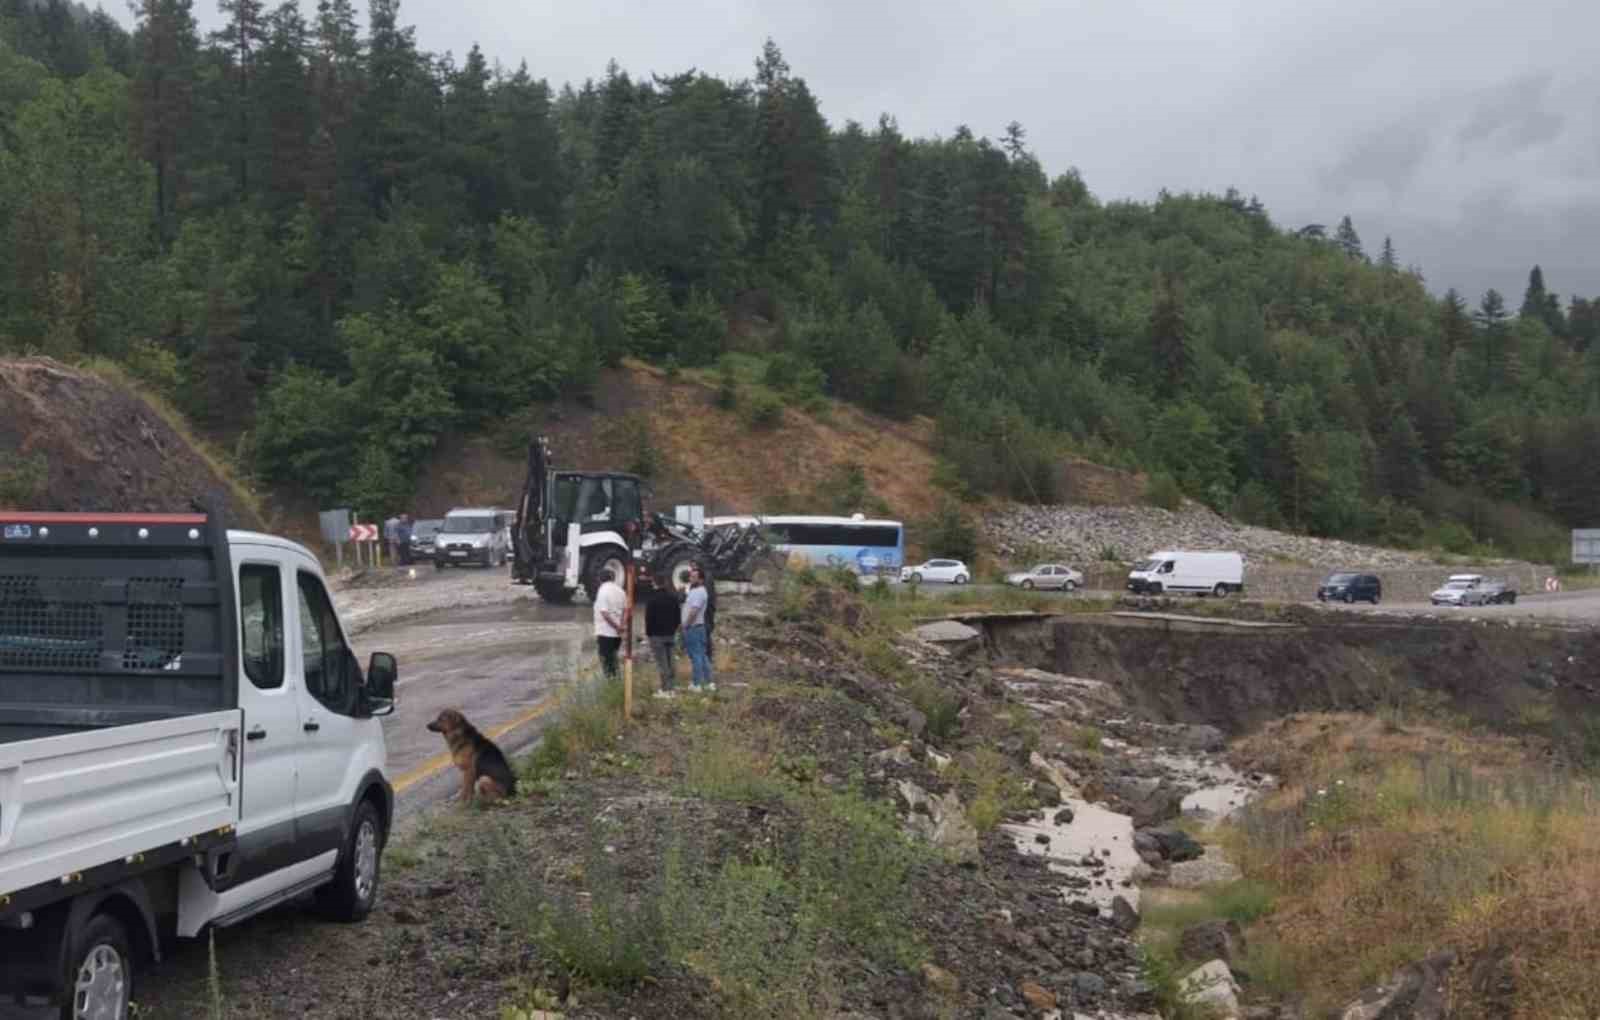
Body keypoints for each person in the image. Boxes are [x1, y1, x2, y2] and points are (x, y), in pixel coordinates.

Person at [644, 574, 680, 697]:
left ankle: (665, 690)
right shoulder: (673, 598)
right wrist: (673, 629)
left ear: (654, 583)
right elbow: (677, 618)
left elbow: (648, 619)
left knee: (662, 663)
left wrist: (649, 634)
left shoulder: (652, 599)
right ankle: (672, 688)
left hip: (656, 635)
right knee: (671, 661)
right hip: (670, 634)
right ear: (665, 583)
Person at [681, 566, 713, 692]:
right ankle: (708, 682)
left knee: (696, 656)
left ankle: (697, 684)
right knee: (702, 655)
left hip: (693, 627)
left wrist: (686, 625)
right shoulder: (696, 591)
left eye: (694, 577)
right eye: (690, 576)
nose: (691, 578)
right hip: (698, 627)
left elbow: (694, 611)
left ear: (701, 580)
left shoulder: (699, 592)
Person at [592, 566, 626, 680]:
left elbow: (604, 613)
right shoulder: (621, 591)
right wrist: (621, 626)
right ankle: (616, 682)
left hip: (605, 633)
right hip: (617, 635)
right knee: (613, 659)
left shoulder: (603, 591)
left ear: (600, 579)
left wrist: (616, 627)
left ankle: (611, 684)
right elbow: (626, 611)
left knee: (606, 662)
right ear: (613, 578)